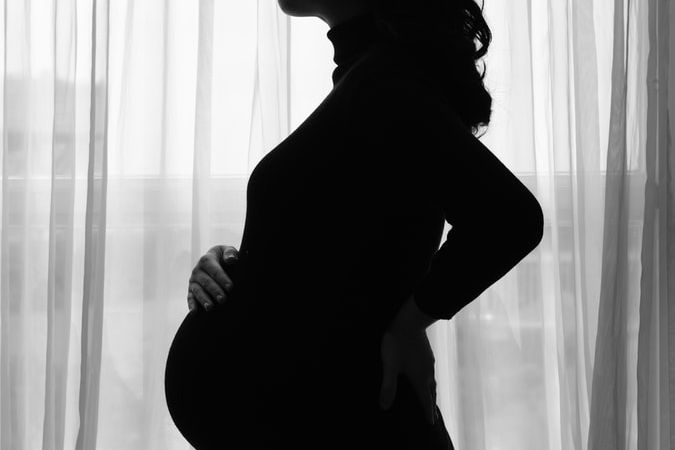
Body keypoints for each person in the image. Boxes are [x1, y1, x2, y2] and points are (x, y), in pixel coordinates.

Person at [164, 0, 544, 448]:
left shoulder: (386, 81)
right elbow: (346, 256)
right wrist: (234, 263)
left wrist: (409, 323)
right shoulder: (373, 78)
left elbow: (510, 218)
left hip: (355, 423)